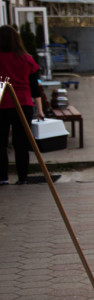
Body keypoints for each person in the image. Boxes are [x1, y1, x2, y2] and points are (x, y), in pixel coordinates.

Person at [1, 25, 45, 186]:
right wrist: (39, 110)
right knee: (21, 143)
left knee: (1, 143)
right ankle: (22, 177)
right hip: (23, 104)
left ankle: (3, 178)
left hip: (2, 104)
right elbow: (35, 87)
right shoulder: (26, 59)